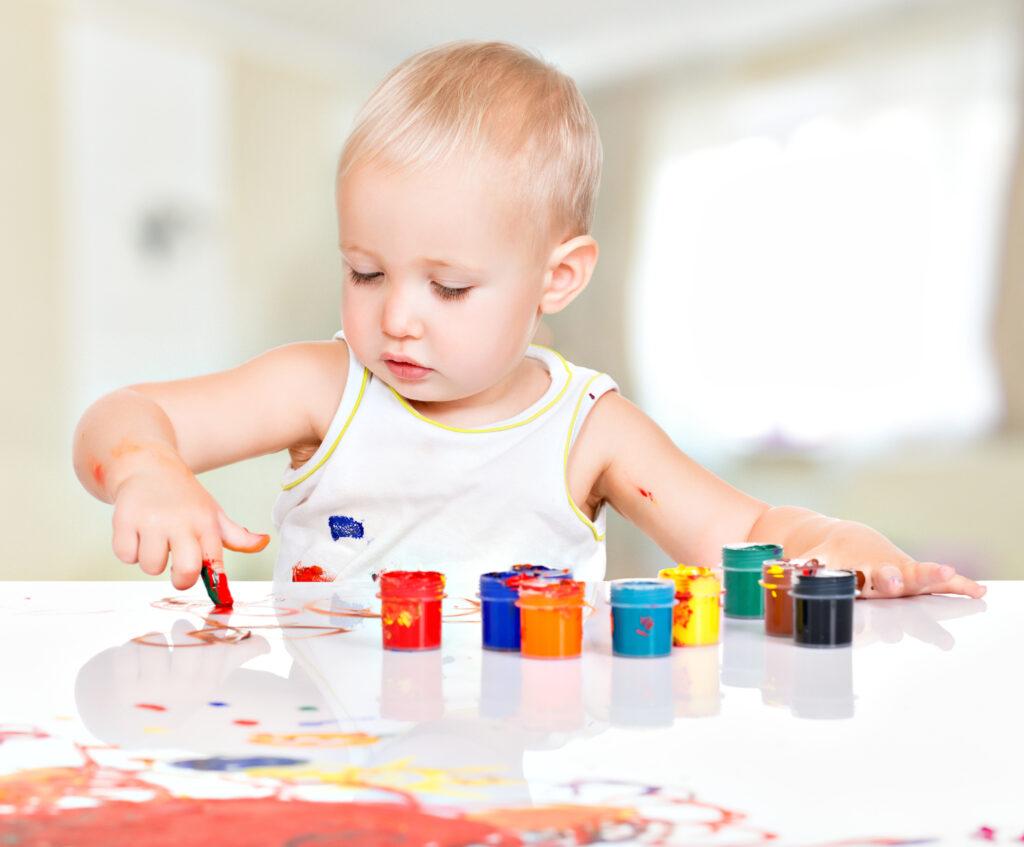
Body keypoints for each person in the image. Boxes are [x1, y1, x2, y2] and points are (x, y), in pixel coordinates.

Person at [71, 40, 985, 602]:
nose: (397, 316)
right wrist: (147, 471)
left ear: (557, 278)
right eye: (365, 270)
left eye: (451, 288)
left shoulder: (590, 427)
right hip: (328, 753)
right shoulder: (326, 385)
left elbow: (743, 538)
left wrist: (836, 543)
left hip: (520, 767)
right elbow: (120, 416)